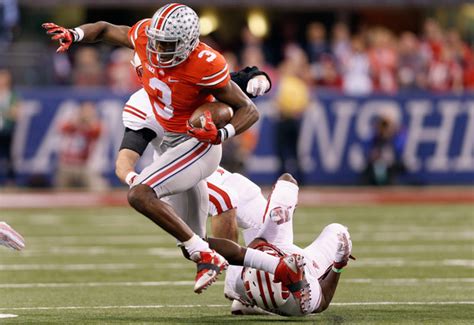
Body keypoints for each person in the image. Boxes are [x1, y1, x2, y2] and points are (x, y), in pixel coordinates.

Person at [42, 3, 302, 299]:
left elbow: (244, 103)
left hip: (198, 144)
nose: (157, 51)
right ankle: (282, 269)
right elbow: (125, 156)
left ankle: (214, 266)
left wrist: (223, 130)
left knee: (142, 195)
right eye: (154, 43)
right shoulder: (142, 92)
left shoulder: (203, 62)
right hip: (174, 153)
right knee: (195, 241)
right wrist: (75, 34)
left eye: (167, 44)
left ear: (188, 43)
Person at [216, 173, 354, 316]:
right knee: (339, 232)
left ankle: (243, 300)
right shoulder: (302, 300)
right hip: (309, 268)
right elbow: (324, 299)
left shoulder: (238, 279)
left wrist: (195, 242)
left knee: (245, 192)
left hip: (242, 284)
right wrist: (338, 265)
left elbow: (254, 244)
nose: (266, 250)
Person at [55, 101, 106, 189]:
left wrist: (86, 123)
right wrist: (78, 121)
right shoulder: (71, 123)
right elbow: (62, 128)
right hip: (67, 165)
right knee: (61, 191)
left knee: (98, 188)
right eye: (84, 111)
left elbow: (96, 131)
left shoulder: (95, 126)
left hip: (85, 166)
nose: (86, 114)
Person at [0, 68, 19, 185]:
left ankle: (10, 180)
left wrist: (3, 112)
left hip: (6, 130)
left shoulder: (12, 95)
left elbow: (15, 113)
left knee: (8, 155)